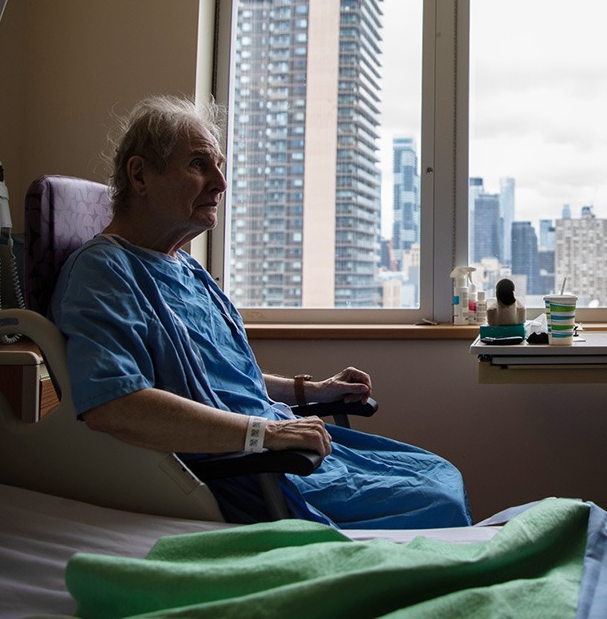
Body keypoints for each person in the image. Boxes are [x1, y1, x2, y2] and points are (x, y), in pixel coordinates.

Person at [52, 95, 472, 529]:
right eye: (199, 164)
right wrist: (264, 434)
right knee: (434, 501)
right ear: (140, 175)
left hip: (279, 445)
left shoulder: (187, 269)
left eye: (219, 166)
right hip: (250, 471)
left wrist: (312, 391)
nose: (220, 182)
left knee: (439, 473)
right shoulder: (102, 272)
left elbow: (231, 379)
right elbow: (116, 405)